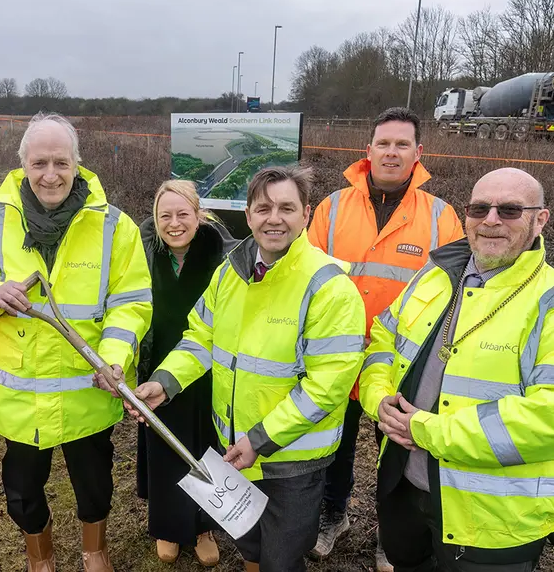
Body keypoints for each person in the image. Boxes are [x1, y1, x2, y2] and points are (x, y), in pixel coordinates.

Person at [108, 166, 366, 572]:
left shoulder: (330, 288)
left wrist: (260, 440)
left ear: (306, 214)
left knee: (281, 559)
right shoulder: (230, 272)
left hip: (290, 459)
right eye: (263, 208)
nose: (274, 218)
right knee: (249, 546)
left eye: (286, 207)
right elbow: (200, 338)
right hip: (235, 447)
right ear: (248, 215)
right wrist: (164, 382)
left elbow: (326, 388)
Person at [0, 113, 152, 572]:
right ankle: (38, 557)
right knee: (22, 490)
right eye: (40, 162)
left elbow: (133, 302)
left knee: (95, 484)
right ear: (22, 163)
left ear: (77, 164)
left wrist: (115, 358)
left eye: (61, 162)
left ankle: (94, 549)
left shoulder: (113, 226)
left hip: (88, 391)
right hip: (22, 400)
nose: (51, 174)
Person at [360, 167, 554, 571]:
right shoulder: (436, 273)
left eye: (510, 209)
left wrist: (426, 430)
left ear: (541, 219)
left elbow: (546, 419)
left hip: (489, 519)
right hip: (403, 485)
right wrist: (377, 398)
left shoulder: (546, 302)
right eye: (479, 208)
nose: (491, 220)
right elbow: (383, 337)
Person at [307, 107, 463, 570]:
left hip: (400, 364)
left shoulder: (441, 217)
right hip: (335, 354)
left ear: (418, 153)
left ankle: (388, 533)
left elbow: (454, 294)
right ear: (367, 149)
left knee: (397, 450)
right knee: (332, 442)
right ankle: (333, 515)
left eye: (402, 145)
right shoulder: (331, 208)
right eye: (383, 143)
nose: (391, 152)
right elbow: (306, 276)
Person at [136, 180, 238, 566]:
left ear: (199, 216)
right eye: (166, 216)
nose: (174, 224)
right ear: (156, 219)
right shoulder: (144, 255)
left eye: (183, 214)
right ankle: (167, 525)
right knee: (163, 446)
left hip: (208, 368)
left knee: (205, 445)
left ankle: (202, 525)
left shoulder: (224, 257)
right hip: (158, 369)